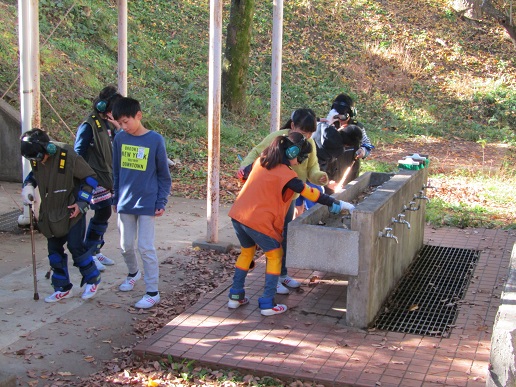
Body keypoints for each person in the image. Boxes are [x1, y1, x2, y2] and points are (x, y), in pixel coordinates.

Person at [228, 132, 355, 316]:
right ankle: (267, 304)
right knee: (275, 255)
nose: (302, 160)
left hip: (238, 216)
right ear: (292, 152)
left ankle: (235, 296)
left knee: (247, 252)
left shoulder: (262, 161)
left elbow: (243, 174)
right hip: (258, 221)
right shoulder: (286, 175)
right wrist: (337, 203)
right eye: (301, 156)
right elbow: (311, 193)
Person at [238, 108, 328, 295]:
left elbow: (313, 168)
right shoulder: (278, 138)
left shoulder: (309, 143)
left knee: (285, 238)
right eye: (303, 132)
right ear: (293, 126)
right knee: (274, 242)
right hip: (273, 199)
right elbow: (256, 152)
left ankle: (282, 274)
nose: (308, 136)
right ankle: (272, 282)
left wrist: (319, 176)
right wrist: (244, 168)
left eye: (311, 133)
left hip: (291, 196)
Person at [20, 129, 101, 302]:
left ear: (47, 149)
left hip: (72, 211)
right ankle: (62, 287)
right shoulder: (36, 159)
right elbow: (34, 175)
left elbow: (91, 178)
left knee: (76, 247)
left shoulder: (66, 155)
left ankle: (92, 279)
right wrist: (28, 185)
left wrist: (82, 202)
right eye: (33, 160)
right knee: (54, 251)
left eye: (38, 157)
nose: (37, 162)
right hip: (50, 213)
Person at [111, 97, 172, 309]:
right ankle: (132, 273)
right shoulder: (119, 139)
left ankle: (152, 291)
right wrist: (115, 197)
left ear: (138, 115)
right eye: (120, 123)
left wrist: (161, 200)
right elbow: (116, 171)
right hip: (125, 202)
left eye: (126, 121)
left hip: (147, 202)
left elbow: (164, 175)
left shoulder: (155, 140)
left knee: (145, 247)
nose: (123, 126)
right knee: (125, 246)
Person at [74, 86, 122, 272]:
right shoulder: (88, 126)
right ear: (104, 107)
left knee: (104, 213)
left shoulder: (109, 124)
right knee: (103, 212)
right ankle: (90, 251)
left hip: (107, 175)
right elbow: (78, 152)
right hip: (93, 177)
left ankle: (95, 248)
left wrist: (117, 127)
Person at [315, 93, 374, 193]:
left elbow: (368, 144)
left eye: (343, 116)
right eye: (338, 116)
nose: (341, 121)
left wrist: (363, 151)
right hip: (329, 173)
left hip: (349, 171)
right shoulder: (327, 126)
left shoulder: (357, 127)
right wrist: (329, 122)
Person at [297, 124, 363, 211]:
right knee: (315, 207)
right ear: (347, 145)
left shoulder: (323, 126)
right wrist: (327, 183)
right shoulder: (336, 150)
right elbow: (318, 166)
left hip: (295, 168)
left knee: (297, 203)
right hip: (308, 175)